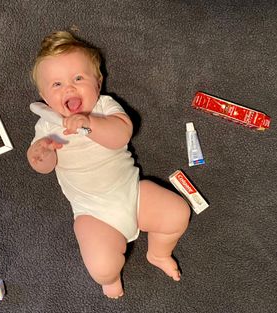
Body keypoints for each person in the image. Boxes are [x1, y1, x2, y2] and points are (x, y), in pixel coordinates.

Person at [27, 31, 190, 298]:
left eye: (78, 78)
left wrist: (90, 123)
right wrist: (40, 154)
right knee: (102, 267)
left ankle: (159, 253)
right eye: (56, 85)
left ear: (98, 82)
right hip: (93, 213)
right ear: (44, 97)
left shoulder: (104, 107)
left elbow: (121, 135)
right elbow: (45, 165)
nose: (69, 88)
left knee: (177, 213)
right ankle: (110, 277)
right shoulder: (49, 126)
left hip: (132, 193)